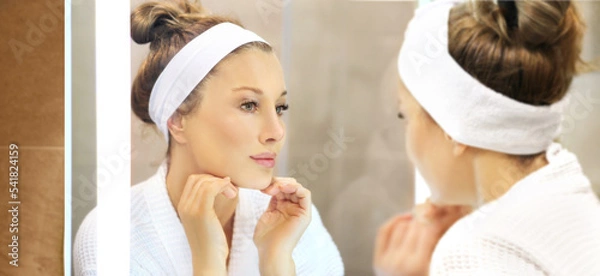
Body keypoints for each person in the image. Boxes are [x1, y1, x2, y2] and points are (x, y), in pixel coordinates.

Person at [73, 1, 343, 275]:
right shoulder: (113, 237)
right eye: (249, 105)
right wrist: (208, 259)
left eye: (279, 108)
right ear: (178, 119)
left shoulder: (291, 225)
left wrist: (276, 261)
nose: (276, 132)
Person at [374, 0, 600, 275]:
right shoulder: (567, 190)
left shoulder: (471, 253)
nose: (406, 140)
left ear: (453, 125)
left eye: (405, 116)